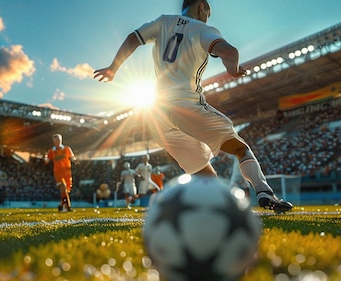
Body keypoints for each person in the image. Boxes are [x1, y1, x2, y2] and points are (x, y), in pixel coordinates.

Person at [93, 0, 292, 213]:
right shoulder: (203, 29)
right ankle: (264, 191)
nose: (208, 16)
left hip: (156, 115)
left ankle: (219, 211)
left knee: (202, 172)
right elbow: (230, 52)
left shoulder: (163, 22)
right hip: (186, 105)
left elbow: (134, 38)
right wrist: (232, 69)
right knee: (240, 148)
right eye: (208, 11)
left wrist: (114, 68)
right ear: (201, 7)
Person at [44, 134, 75, 212]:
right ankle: (67, 207)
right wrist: (45, 159)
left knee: (66, 191)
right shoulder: (51, 151)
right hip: (58, 172)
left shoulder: (67, 149)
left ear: (61, 140)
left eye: (58, 140)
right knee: (63, 187)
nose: (57, 142)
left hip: (67, 172)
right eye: (55, 140)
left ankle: (62, 206)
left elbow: (72, 157)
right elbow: (47, 160)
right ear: (53, 142)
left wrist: (74, 160)